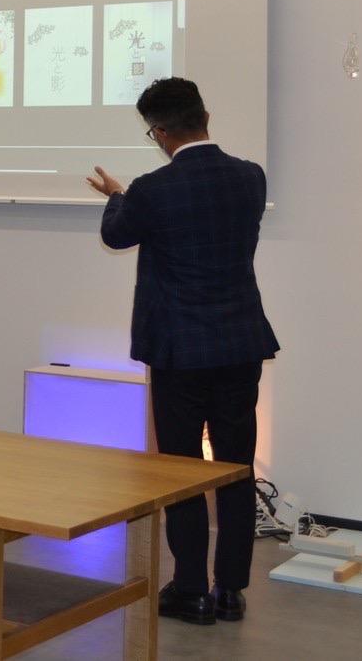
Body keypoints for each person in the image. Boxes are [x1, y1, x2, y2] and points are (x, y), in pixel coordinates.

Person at [87, 77, 278, 626]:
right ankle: (231, 591)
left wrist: (117, 196)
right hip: (239, 344)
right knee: (236, 468)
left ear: (161, 133)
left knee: (179, 469)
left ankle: (191, 589)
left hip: (179, 350)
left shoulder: (151, 189)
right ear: (206, 117)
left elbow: (118, 234)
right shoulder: (250, 177)